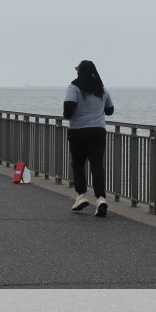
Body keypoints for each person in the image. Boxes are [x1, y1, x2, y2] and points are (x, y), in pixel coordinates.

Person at [63, 60, 114, 217]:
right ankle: (101, 198)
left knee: (78, 164)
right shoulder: (101, 89)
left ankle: (81, 196)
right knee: (97, 166)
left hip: (78, 132)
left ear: (80, 72)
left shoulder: (74, 87)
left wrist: (71, 114)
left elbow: (68, 109)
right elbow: (110, 110)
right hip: (98, 132)